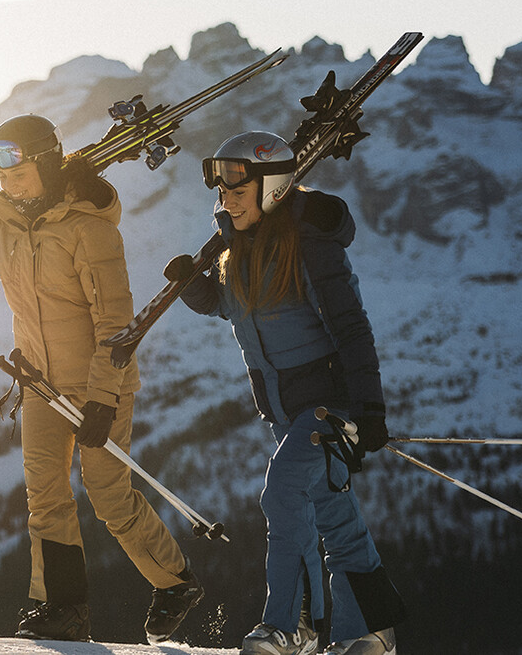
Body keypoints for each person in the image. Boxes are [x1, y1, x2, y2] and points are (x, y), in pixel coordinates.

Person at [0, 114, 203, 644]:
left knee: (107, 496)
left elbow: (115, 328)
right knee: (46, 497)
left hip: (101, 384)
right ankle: (62, 608)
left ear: (47, 162)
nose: (6, 179)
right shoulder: (1, 229)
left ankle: (175, 583)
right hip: (39, 384)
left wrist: (103, 399)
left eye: (17, 168)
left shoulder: (88, 229)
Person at [167, 131, 406, 655]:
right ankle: (369, 631)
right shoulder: (240, 248)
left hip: (327, 403)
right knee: (332, 514)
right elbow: (239, 310)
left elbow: (350, 326)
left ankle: (289, 625)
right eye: (221, 188)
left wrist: (368, 407)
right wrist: (196, 288)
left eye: (237, 187)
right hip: (283, 407)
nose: (225, 198)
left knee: (282, 494)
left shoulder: (310, 245)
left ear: (272, 188)